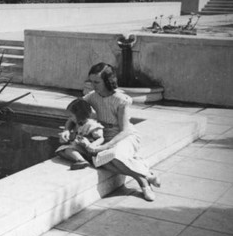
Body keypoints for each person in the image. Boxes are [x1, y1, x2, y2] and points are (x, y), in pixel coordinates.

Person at [67, 62, 160, 201]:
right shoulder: (92, 96)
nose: (93, 85)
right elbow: (75, 114)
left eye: (97, 82)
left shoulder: (121, 100)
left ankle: (143, 182)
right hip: (104, 135)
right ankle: (146, 176)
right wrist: (67, 129)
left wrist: (103, 147)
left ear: (107, 81)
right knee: (99, 160)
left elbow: (125, 131)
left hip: (125, 136)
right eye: (91, 81)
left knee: (114, 156)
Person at [56, 98, 104, 170]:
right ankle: (83, 160)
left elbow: (101, 138)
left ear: (79, 115)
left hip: (91, 150)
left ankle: (81, 160)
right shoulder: (78, 123)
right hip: (82, 148)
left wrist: (91, 144)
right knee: (61, 150)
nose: (70, 118)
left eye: (71, 116)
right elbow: (76, 135)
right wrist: (67, 137)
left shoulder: (91, 125)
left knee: (68, 150)